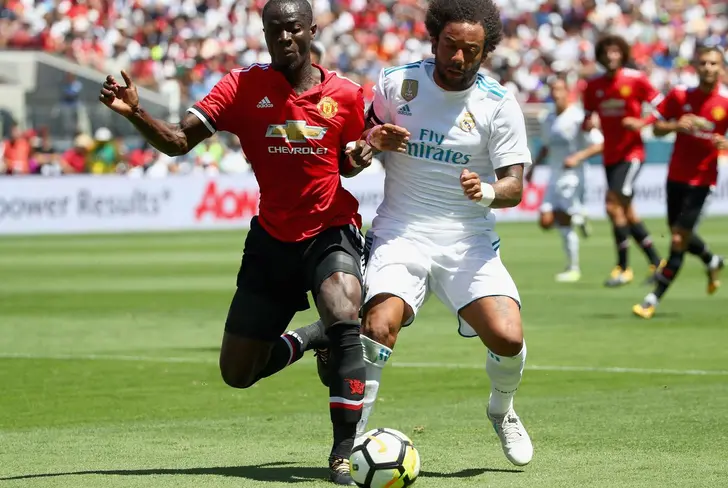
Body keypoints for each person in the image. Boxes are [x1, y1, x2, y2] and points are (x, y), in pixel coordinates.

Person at [99, 0, 373, 484]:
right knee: (239, 373)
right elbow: (178, 142)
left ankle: (342, 454)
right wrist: (136, 112)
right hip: (273, 237)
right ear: (264, 35)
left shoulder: (347, 95)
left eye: (293, 28)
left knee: (343, 309)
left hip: (330, 228)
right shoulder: (240, 87)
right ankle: (312, 337)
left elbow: (348, 163)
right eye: (274, 30)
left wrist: (361, 155)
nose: (284, 38)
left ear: (312, 30)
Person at [355, 0, 534, 467]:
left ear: (486, 52)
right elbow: (357, 147)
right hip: (401, 232)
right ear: (433, 39)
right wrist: (372, 141)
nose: (458, 58)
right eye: (450, 45)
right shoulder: (397, 83)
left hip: (467, 238)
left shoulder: (499, 104)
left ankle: (502, 410)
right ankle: (350, 441)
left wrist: (487, 191)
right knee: (377, 328)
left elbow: (514, 186)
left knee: (508, 338)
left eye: (471, 51)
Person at [630, 45, 727, 319]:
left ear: (721, 68)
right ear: (696, 66)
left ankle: (652, 299)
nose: (708, 68)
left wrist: (725, 143)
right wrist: (675, 125)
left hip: (703, 179)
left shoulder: (725, 101)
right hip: (675, 176)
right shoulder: (680, 95)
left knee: (677, 238)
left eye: (713, 63)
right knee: (678, 232)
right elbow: (657, 127)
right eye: (704, 63)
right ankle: (712, 260)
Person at [582, 35, 665, 287]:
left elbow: (664, 106)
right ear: (600, 56)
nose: (611, 56)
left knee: (612, 204)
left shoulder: (636, 79)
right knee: (626, 211)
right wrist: (587, 123)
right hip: (611, 155)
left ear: (623, 54)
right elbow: (587, 117)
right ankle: (656, 262)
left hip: (632, 154)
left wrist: (643, 122)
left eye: (616, 51)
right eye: (606, 52)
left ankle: (624, 267)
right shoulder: (593, 86)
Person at [526, 78, 604, 282]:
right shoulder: (547, 118)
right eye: (553, 90)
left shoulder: (578, 117)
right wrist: (533, 167)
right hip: (555, 174)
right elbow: (546, 146)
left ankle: (573, 267)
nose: (556, 94)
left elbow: (599, 144)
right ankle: (579, 216)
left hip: (574, 175)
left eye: (559, 89)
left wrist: (578, 157)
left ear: (568, 92)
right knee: (545, 221)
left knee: (564, 221)